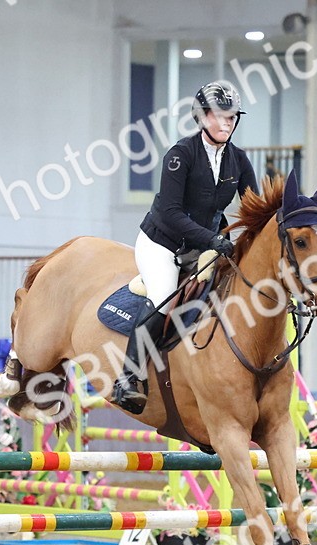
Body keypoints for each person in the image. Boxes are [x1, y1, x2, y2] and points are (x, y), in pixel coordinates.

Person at [112, 80, 258, 413]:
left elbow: (255, 207)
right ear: (202, 117)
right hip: (162, 243)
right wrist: (213, 239)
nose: (226, 123)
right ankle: (128, 378)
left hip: (205, 247)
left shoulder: (239, 160)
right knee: (163, 298)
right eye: (219, 116)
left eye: (232, 118)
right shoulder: (181, 155)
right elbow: (171, 214)